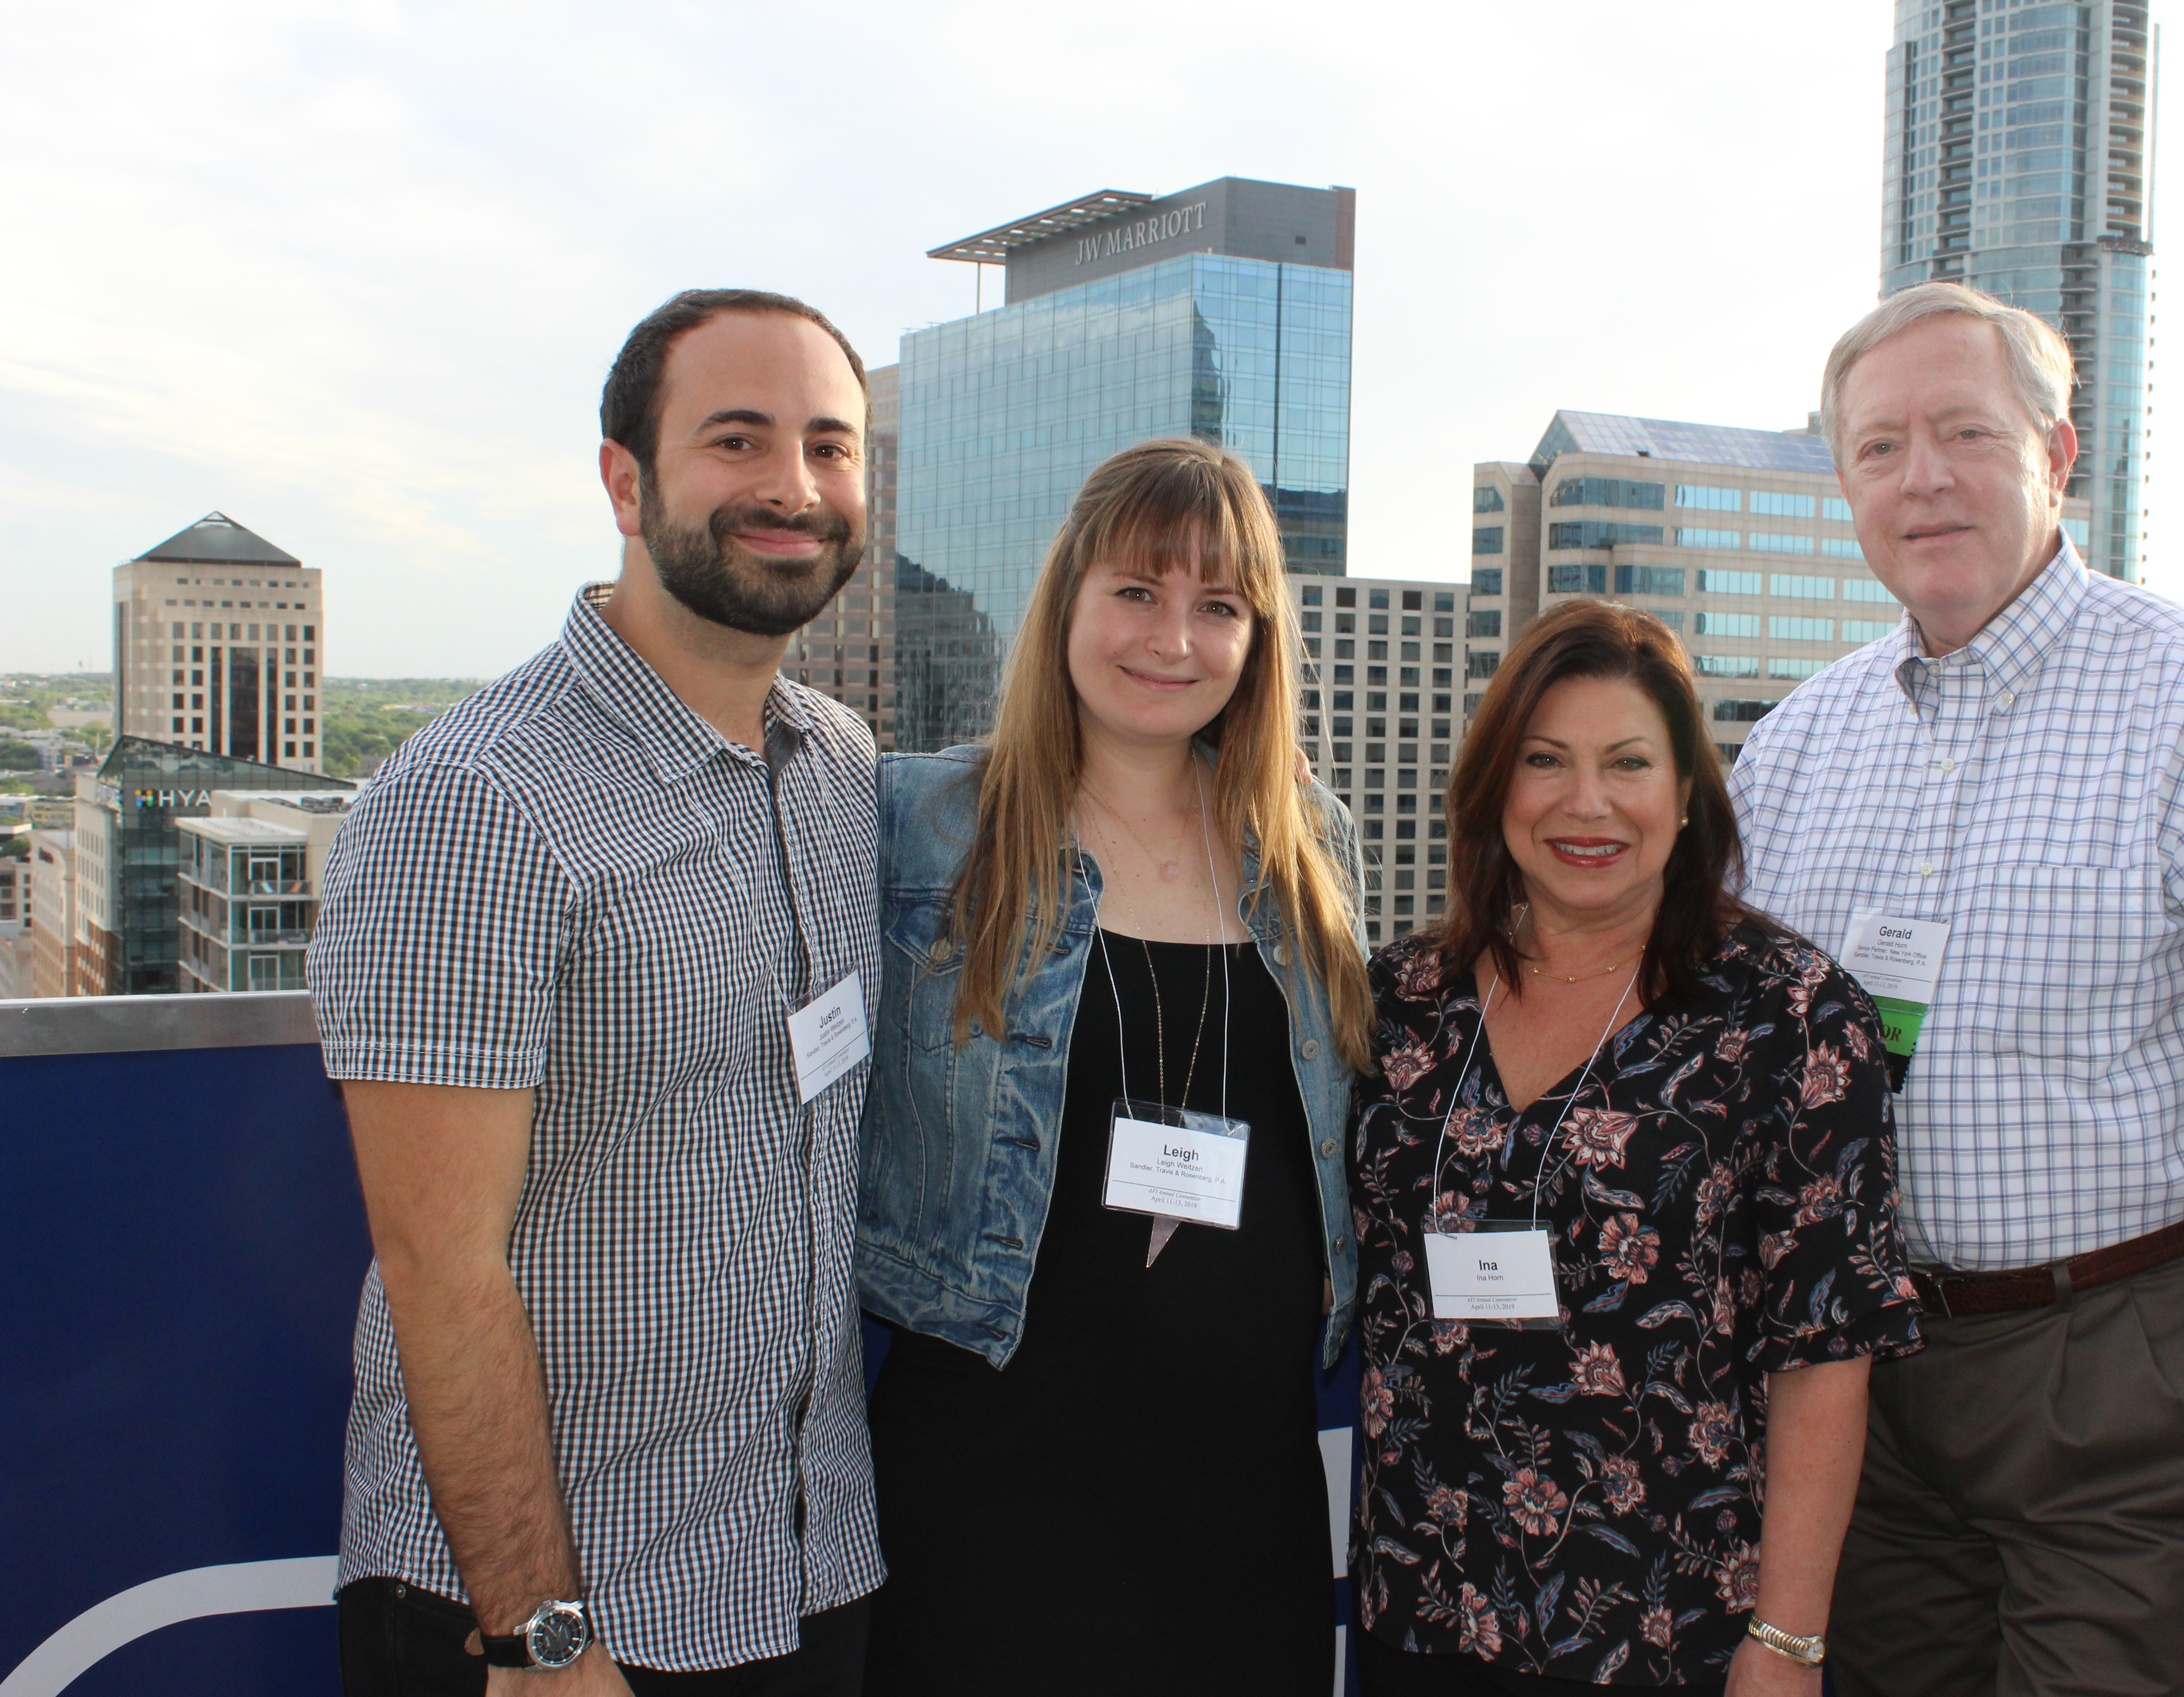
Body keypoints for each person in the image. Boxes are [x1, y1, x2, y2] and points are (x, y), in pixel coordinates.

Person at [1728, 281, 2184, 1697]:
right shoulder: (1802, 745)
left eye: (1965, 433)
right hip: (1865, 1392)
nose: (1922, 477)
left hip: (2127, 1378)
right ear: (1846, 484)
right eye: (1880, 448)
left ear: (2058, 459)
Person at [311, 288, 884, 1695]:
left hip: (805, 1586)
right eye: (737, 442)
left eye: (830, 445)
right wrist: (541, 1637)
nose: (793, 489)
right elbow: (439, 1269)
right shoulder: (476, 800)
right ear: (626, 480)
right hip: (551, 1627)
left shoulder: (845, 770)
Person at [854, 437, 1370, 1694]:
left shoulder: (1308, 846)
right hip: (993, 1476)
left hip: (1242, 1484)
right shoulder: (917, 824)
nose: (1171, 640)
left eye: (1217, 607)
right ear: (1069, 598)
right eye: (1137, 592)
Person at [1351, 599, 1922, 1694]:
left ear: (1685, 792)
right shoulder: (1401, 1004)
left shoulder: (1788, 1019)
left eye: (1628, 762)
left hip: (1671, 1628)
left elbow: (1825, 1355)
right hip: (1422, 1605)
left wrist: (1790, 1639)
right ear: (1493, 788)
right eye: (1545, 760)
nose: (1587, 803)